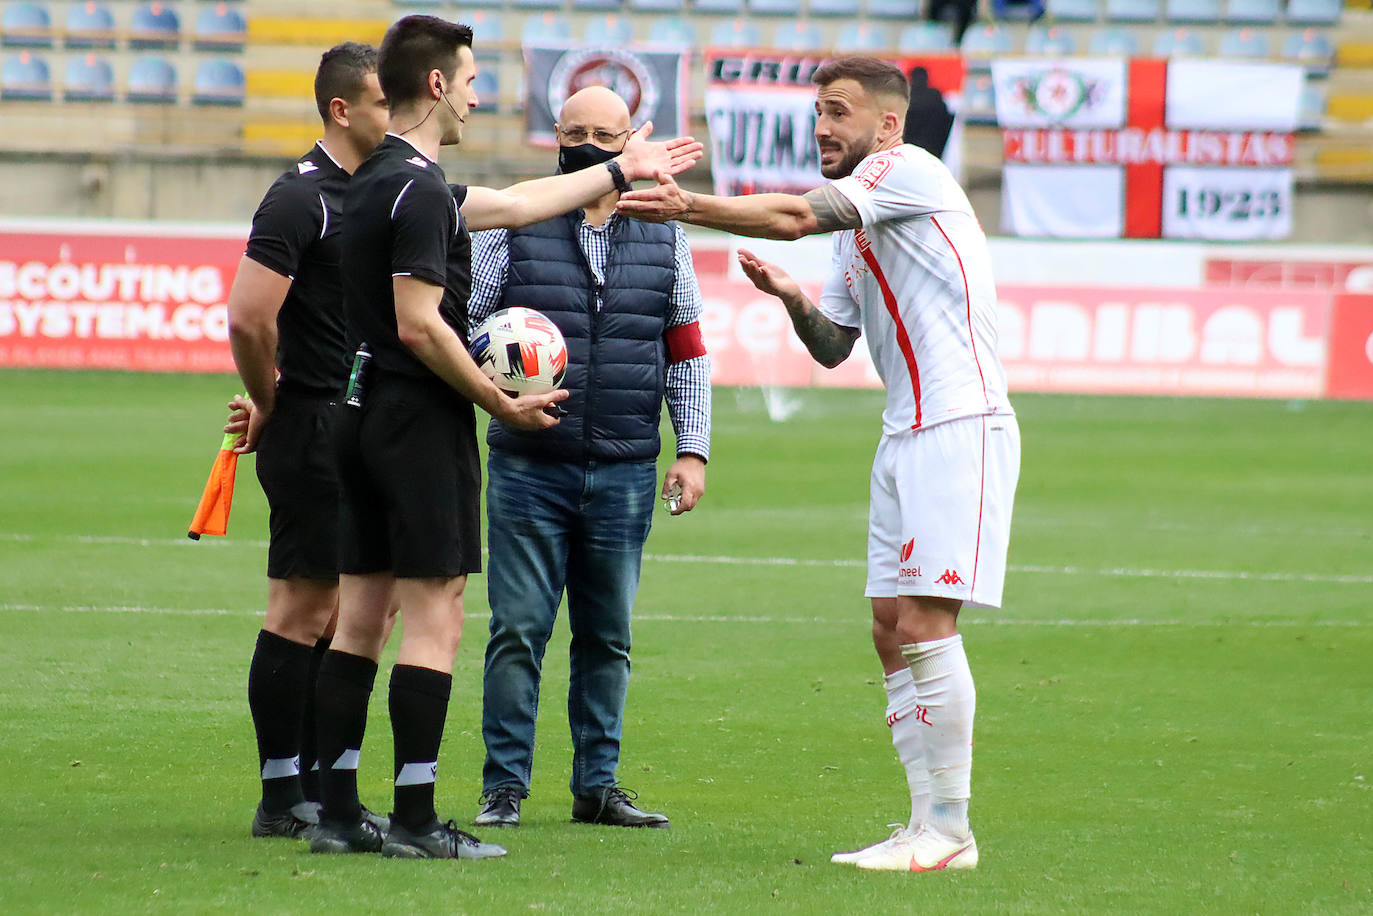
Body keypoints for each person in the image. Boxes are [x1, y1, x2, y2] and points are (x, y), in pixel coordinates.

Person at [307, 15, 703, 860]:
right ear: (440, 85)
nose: (482, 95)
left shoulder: (384, 177)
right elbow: (422, 325)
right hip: (416, 421)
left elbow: (523, 202)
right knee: (437, 617)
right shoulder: (419, 188)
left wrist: (620, 167)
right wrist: (498, 399)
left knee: (361, 619)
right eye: (475, 79)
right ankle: (416, 819)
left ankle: (338, 809)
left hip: (360, 406)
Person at [618, 56, 1019, 872]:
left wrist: (686, 205)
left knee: (925, 625)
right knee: (886, 627)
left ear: (887, 125)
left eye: (839, 111)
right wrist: (793, 300)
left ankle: (950, 829)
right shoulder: (864, 225)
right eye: (818, 113)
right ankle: (921, 823)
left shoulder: (908, 172)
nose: (823, 128)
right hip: (903, 430)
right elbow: (836, 347)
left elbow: (797, 217)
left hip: (960, 423)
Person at [468, 86, 711, 831]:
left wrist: (692, 449)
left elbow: (687, 351)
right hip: (527, 464)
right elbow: (470, 324)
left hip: (626, 467)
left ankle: (596, 786)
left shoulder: (666, 233)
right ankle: (504, 787)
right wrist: (495, 389)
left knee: (608, 635)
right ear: (556, 136)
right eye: (574, 132)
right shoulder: (516, 218)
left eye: (604, 134)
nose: (587, 144)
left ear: (632, 137)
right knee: (517, 629)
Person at [224, 42, 391, 840]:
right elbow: (248, 317)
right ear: (341, 109)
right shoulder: (299, 198)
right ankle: (281, 795)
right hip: (313, 422)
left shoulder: (379, 192)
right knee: (302, 609)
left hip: (358, 423)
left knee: (347, 615)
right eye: (383, 102)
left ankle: (322, 790)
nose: (394, 116)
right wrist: (270, 398)